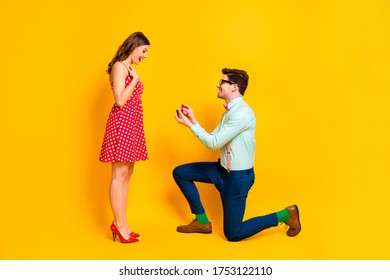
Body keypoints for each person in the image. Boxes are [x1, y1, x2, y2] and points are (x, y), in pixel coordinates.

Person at [173, 68, 301, 241]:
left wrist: (190, 126)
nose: (218, 85)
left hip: (237, 178)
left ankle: (286, 215)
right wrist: (192, 120)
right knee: (181, 173)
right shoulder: (230, 112)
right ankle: (202, 221)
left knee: (233, 234)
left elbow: (213, 143)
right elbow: (213, 137)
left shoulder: (242, 113)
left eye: (222, 82)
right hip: (221, 171)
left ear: (234, 87)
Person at [99, 32, 150, 243]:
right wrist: (136, 79)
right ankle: (118, 225)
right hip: (122, 124)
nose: (146, 56)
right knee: (119, 175)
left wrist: (135, 75)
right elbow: (120, 100)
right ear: (134, 46)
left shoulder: (129, 67)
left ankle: (124, 223)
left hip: (132, 125)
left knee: (127, 174)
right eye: (144, 50)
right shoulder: (120, 66)